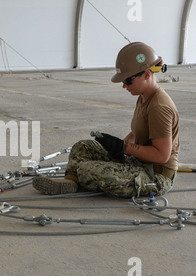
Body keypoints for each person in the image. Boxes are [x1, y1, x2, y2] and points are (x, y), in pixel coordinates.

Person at [33, 42, 179, 198]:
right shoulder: (144, 97)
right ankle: (71, 181)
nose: (124, 85)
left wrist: (124, 148)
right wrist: (116, 148)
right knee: (83, 147)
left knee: (88, 170)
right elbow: (139, 132)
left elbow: (161, 155)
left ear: (147, 75)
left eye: (128, 80)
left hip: (155, 175)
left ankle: (78, 177)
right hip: (140, 162)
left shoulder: (159, 107)